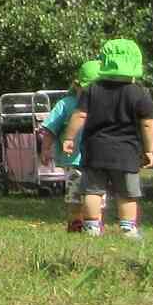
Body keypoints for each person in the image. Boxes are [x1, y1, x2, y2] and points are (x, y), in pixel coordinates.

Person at [60, 37, 153, 239]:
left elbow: (80, 115)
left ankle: (92, 226)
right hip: (127, 152)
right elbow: (147, 123)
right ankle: (128, 228)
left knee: (93, 191)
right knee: (127, 193)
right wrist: (149, 150)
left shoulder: (92, 90)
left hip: (95, 149)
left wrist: (69, 137)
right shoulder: (139, 93)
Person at [40, 59, 103, 232]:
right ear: (76, 85)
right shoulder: (66, 104)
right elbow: (50, 128)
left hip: (99, 160)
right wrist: (45, 149)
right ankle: (76, 223)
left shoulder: (105, 105)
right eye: (88, 88)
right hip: (74, 161)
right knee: (75, 197)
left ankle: (94, 224)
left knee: (96, 196)